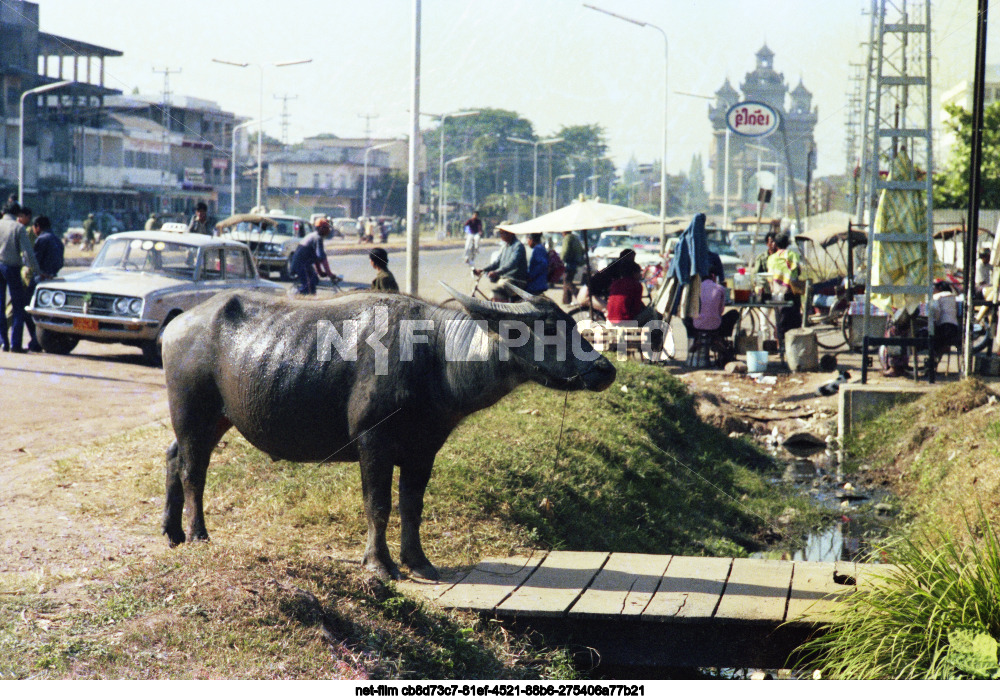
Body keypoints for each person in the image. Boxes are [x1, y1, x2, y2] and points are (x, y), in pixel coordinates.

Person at [0, 201, 41, 352]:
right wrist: (37, 270)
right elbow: (27, 253)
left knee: (0, 306)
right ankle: (16, 344)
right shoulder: (18, 227)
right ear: (17, 214)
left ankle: (3, 342)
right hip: (11, 267)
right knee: (18, 307)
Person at [684, 269, 740, 345]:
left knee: (685, 317)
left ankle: (694, 339)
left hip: (696, 326)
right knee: (734, 313)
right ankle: (720, 339)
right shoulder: (720, 288)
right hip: (716, 326)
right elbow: (720, 311)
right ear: (713, 276)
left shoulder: (695, 288)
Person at [473, 223, 528, 301]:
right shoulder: (505, 247)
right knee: (494, 290)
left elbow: (512, 264)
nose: (501, 235)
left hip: (516, 280)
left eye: (503, 233)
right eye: (500, 233)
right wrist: (483, 270)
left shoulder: (518, 246)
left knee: (497, 291)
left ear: (510, 233)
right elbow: (496, 263)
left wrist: (497, 272)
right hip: (506, 279)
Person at [765, 231, 803, 341]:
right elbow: (797, 272)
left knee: (780, 322)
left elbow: (769, 277)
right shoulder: (792, 255)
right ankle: (794, 347)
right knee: (795, 322)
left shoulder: (771, 258)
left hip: (777, 295)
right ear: (788, 244)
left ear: (776, 244)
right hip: (792, 293)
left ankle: (781, 348)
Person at [290, 218, 334, 295]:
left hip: (302, 265)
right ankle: (296, 297)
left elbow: (316, 258)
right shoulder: (318, 238)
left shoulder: (313, 236)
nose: (328, 230)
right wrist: (329, 274)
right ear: (321, 228)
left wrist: (320, 272)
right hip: (301, 266)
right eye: (326, 228)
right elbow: (322, 257)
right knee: (308, 288)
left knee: (314, 281)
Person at [928, 279, 961, 361]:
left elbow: (936, 310)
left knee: (931, 341)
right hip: (954, 328)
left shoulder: (937, 297)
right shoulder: (953, 297)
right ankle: (938, 358)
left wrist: (935, 321)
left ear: (939, 288)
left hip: (943, 327)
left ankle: (933, 363)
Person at [560, 230, 585, 304]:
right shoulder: (575, 238)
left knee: (567, 281)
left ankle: (579, 295)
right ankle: (566, 300)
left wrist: (561, 260)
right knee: (566, 281)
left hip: (568, 264)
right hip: (575, 263)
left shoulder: (567, 238)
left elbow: (565, 251)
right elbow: (582, 250)